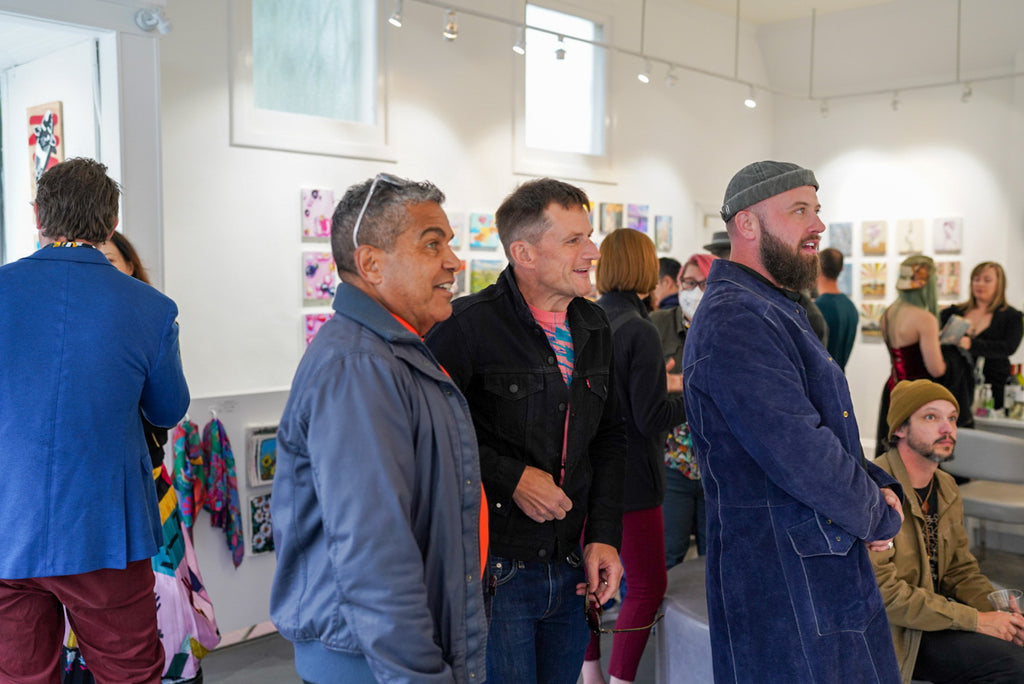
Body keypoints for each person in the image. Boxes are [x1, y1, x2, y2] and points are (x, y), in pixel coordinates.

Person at [682, 160, 906, 683]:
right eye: (799, 210)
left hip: (810, 565)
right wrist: (878, 513)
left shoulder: (773, 307)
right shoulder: (738, 317)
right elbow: (799, 449)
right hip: (780, 579)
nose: (818, 226)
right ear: (748, 224)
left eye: (817, 210)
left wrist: (878, 485)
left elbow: (819, 429)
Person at [270, 174, 487, 683]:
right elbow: (374, 551)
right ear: (370, 263)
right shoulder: (359, 365)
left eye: (450, 244)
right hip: (375, 662)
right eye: (432, 244)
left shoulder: (392, 353)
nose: (454, 261)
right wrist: (416, 674)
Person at [426, 177, 626, 684]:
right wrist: (510, 477)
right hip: (497, 574)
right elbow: (434, 437)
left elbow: (611, 438)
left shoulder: (595, 327)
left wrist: (603, 536)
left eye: (590, 235)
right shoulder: (465, 326)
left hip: (571, 568)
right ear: (525, 252)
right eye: (574, 239)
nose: (593, 251)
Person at [0, 157, 190, 683]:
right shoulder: (150, 308)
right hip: (105, 529)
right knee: (128, 672)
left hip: (7, 529)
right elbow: (168, 409)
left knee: (19, 677)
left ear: (38, 216)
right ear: (110, 224)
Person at [58, 232, 219, 684]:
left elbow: (167, 410)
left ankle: (175, 670)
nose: (100, 272)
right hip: (91, 499)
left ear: (130, 266)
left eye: (110, 260)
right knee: (101, 622)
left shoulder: (151, 320)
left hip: (147, 489)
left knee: (163, 608)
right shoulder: (74, 330)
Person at [581, 229, 685, 684]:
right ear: (645, 268)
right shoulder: (639, 329)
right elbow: (651, 416)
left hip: (584, 475)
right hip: (633, 481)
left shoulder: (583, 317)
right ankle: (622, 679)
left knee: (590, 583)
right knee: (646, 584)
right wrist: (697, 395)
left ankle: (591, 674)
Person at [871, 379, 1024, 684]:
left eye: (952, 418)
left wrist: (997, 610)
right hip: (895, 633)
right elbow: (883, 595)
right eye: (931, 417)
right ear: (900, 429)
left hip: (936, 616)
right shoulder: (875, 491)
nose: (948, 429)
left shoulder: (946, 486)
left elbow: (959, 569)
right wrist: (977, 621)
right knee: (1013, 666)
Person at [650, 253, 717, 568]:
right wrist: (671, 381)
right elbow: (639, 384)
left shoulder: (729, 326)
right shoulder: (658, 324)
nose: (696, 291)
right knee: (667, 553)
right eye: (689, 283)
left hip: (718, 463)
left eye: (705, 283)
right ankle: (662, 619)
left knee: (713, 557)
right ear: (678, 284)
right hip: (672, 460)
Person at [875, 255, 947, 455]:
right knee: (915, 460)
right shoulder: (925, 319)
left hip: (893, 389)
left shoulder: (888, 313)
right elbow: (936, 368)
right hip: (918, 396)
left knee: (891, 455)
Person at [941, 262, 1023, 411]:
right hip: (956, 383)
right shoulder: (953, 312)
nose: (980, 284)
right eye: (976, 279)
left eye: (987, 280)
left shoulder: (1012, 316)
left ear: (999, 284)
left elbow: (1008, 347)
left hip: (993, 385)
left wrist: (972, 344)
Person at [816, 247, 859, 371]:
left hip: (821, 382)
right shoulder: (850, 306)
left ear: (818, 268)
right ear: (841, 269)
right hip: (840, 379)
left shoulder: (818, 308)